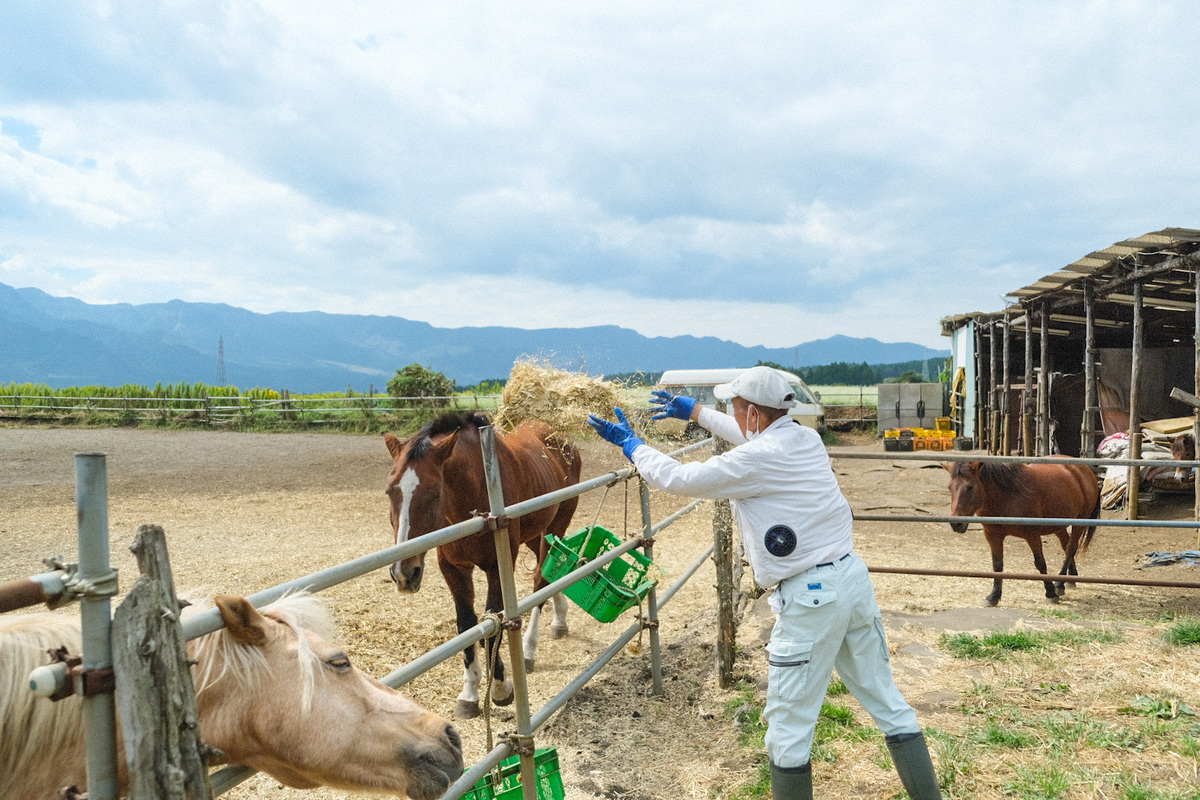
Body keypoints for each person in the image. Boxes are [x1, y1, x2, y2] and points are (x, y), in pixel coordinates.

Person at [587, 366, 940, 800]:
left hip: (811, 600)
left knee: (788, 729)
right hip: (851, 580)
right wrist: (696, 412)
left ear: (753, 412)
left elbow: (680, 480)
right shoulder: (804, 438)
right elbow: (753, 438)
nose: (731, 415)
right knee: (887, 701)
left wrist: (634, 447)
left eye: (733, 407)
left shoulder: (756, 460)